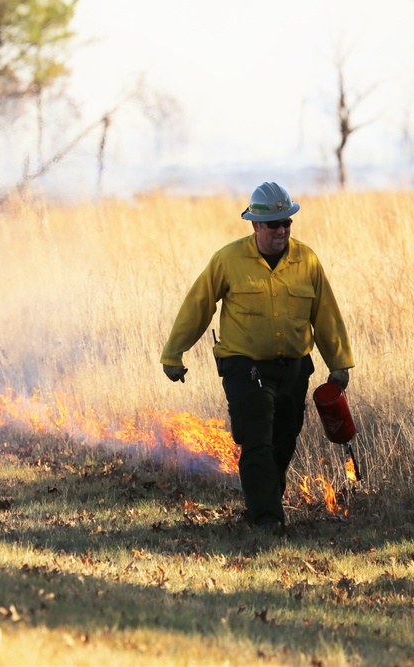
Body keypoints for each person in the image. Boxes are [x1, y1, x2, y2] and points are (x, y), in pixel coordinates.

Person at [160, 181, 353, 530]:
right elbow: (198, 305)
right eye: (274, 224)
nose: (282, 230)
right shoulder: (228, 260)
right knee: (257, 440)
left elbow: (326, 313)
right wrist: (174, 353)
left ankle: (261, 507)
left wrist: (339, 363)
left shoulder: (307, 260)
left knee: (283, 441)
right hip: (244, 367)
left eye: (287, 222)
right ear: (255, 225)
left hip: (294, 370)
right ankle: (267, 519)